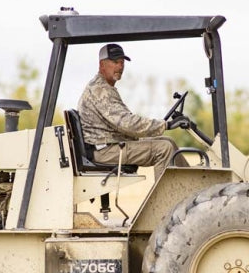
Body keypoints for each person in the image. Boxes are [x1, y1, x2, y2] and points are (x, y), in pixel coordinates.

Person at [77, 43, 190, 180]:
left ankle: (191, 186)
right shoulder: (100, 90)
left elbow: (124, 123)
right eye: (115, 62)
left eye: (122, 62)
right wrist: (166, 125)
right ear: (102, 65)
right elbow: (127, 124)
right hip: (104, 150)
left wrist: (162, 126)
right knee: (164, 149)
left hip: (109, 145)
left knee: (169, 142)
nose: (120, 67)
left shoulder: (104, 87)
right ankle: (168, 200)